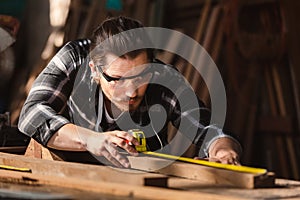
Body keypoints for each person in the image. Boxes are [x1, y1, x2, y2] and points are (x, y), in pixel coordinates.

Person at [18, 16, 242, 168]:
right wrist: (91, 140)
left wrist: (221, 149)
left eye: (141, 77)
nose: (131, 92)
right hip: (69, 176)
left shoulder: (164, 78)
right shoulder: (74, 60)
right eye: (117, 80)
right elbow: (31, 115)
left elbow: (206, 127)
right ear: (95, 69)